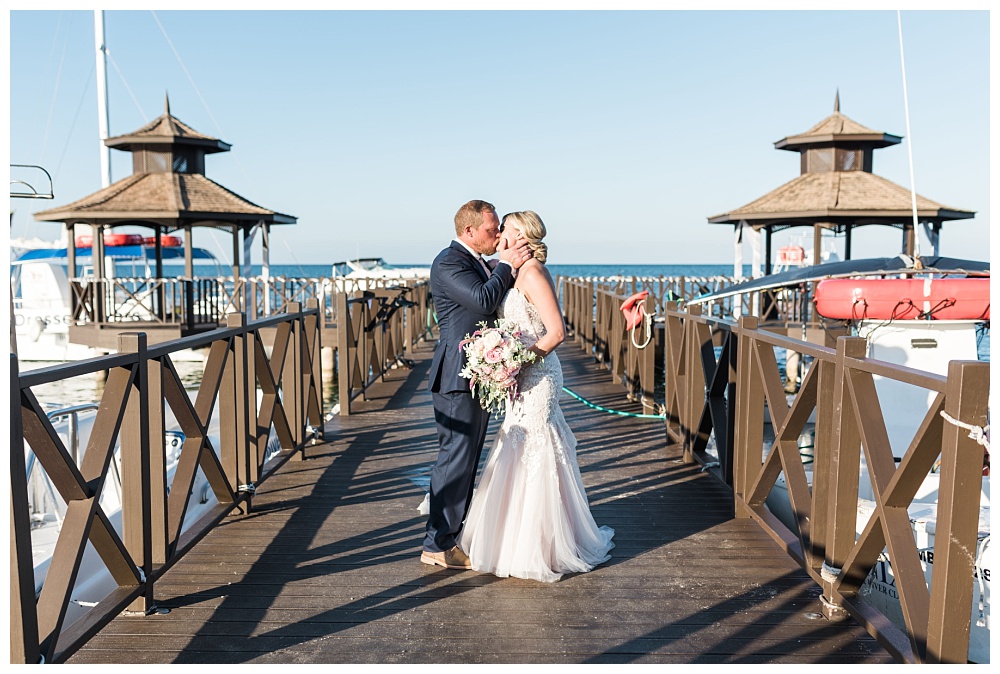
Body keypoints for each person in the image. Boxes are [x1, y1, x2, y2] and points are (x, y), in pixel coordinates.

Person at [458, 210, 615, 582]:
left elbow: (557, 332)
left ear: (522, 237)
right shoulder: (511, 272)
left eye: (506, 230)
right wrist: (499, 358)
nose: (498, 236)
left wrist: (519, 362)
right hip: (519, 376)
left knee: (538, 448)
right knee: (515, 446)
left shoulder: (534, 274)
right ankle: (509, 539)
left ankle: (543, 544)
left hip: (539, 375)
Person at [422, 199, 533, 569]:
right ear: (468, 231)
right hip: (456, 376)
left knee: (466, 459)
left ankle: (452, 535)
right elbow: (484, 300)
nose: (498, 234)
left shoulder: (477, 261)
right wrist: (506, 264)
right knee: (455, 458)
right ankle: (437, 543)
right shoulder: (449, 262)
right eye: (491, 229)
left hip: (478, 373)